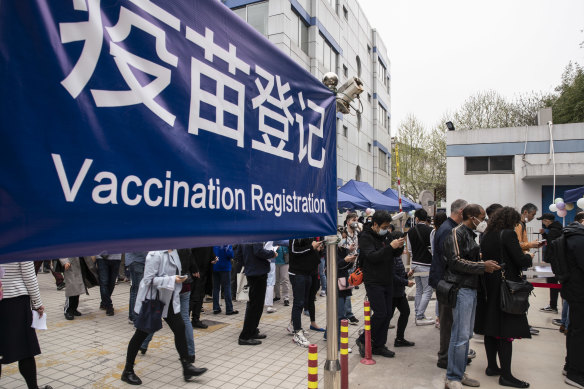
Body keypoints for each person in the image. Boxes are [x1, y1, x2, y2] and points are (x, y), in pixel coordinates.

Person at [121, 250, 207, 385]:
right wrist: (173, 279)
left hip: (168, 300)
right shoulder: (155, 254)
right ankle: (128, 371)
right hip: (153, 300)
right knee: (141, 334)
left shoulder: (174, 252)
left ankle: (187, 367)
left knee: (180, 328)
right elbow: (148, 280)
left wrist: (179, 278)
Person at [442, 204, 501, 389]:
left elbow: (468, 258)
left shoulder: (469, 234)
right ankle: (452, 377)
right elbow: (455, 261)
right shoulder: (456, 233)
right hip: (462, 289)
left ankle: (459, 373)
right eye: (482, 217)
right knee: (459, 335)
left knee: (465, 334)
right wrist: (482, 266)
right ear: (472, 217)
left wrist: (481, 262)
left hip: (471, 287)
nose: (483, 221)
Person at [478, 207, 533, 388]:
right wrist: (529, 256)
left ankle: (492, 366)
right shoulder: (508, 234)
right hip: (506, 286)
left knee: (491, 326)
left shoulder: (486, 234)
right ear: (510, 220)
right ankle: (507, 375)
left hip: (488, 285)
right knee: (506, 330)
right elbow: (520, 260)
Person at [355, 210, 405, 358]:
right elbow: (372, 257)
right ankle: (363, 339)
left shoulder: (386, 235)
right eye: (384, 226)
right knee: (381, 313)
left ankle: (379, 344)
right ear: (375, 224)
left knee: (388, 313)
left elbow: (392, 254)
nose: (386, 229)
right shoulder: (365, 237)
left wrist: (399, 246)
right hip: (373, 281)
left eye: (388, 226)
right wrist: (390, 247)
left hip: (387, 279)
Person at [0, 261, 52, 389]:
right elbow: (29, 275)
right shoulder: (18, 243)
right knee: (25, 350)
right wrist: (37, 303)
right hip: (15, 300)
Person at [429, 199, 468, 369]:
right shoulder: (448, 229)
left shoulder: (450, 227)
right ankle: (445, 357)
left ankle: (451, 354)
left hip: (447, 280)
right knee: (447, 322)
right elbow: (450, 258)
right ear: (461, 212)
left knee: (451, 321)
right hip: (446, 282)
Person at [238, 243, 277, 345]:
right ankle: (245, 336)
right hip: (258, 272)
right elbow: (258, 251)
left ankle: (252, 331)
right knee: (255, 306)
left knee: (254, 304)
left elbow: (238, 254)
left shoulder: (243, 235)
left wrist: (247, 264)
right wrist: (272, 253)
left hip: (251, 271)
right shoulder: (255, 234)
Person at [562, 211, 584, 388]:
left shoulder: (570, 235)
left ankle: (570, 365)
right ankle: (575, 372)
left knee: (574, 329)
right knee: (579, 331)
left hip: (572, 289)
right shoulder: (578, 239)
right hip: (579, 291)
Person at [288, 238, 323, 347]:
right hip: (297, 273)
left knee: (303, 302)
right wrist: (311, 247)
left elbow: (310, 252)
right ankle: (297, 333)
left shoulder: (310, 234)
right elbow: (294, 250)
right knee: (298, 302)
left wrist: (317, 249)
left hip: (308, 273)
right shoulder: (296, 233)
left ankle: (293, 325)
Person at [515, 203, 543, 336]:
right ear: (525, 212)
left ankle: (522, 322)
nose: (533, 217)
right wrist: (530, 244)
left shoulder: (522, 225)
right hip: (520, 262)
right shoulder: (518, 225)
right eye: (532, 214)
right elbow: (516, 243)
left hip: (523, 259)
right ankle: (521, 323)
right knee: (521, 294)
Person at [407, 208, 435, 326]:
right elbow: (433, 250)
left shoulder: (410, 231)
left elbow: (409, 249)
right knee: (428, 291)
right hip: (426, 265)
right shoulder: (431, 231)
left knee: (419, 290)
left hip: (415, 264)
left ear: (416, 218)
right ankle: (419, 316)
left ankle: (418, 314)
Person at [391, 231, 415, 347]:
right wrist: (406, 282)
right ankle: (369, 339)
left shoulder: (398, 254)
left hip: (399, 292)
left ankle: (399, 339)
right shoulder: (391, 255)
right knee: (385, 317)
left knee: (405, 312)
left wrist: (407, 274)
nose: (404, 243)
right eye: (402, 241)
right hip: (392, 292)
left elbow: (398, 272)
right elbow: (391, 275)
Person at [538, 213, 563, 314]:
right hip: (557, 262)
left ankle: (553, 306)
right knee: (553, 284)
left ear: (547, 221)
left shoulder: (554, 231)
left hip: (553, 263)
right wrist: (544, 234)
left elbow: (550, 248)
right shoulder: (557, 229)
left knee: (552, 283)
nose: (542, 223)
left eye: (543, 221)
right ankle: (553, 305)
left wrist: (546, 260)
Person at [340, 213, 360, 325]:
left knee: (349, 291)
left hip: (353, 266)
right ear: (348, 222)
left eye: (356, 220)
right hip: (344, 265)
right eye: (353, 220)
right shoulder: (343, 233)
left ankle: (346, 314)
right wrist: (348, 248)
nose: (355, 222)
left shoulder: (357, 233)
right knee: (346, 291)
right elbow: (340, 248)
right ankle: (348, 315)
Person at [190, 247, 216, 329]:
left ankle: (195, 319)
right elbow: (189, 254)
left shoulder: (207, 239)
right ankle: (185, 320)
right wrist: (194, 269)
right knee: (193, 297)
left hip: (204, 272)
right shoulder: (194, 237)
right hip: (195, 273)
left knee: (200, 296)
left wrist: (214, 258)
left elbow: (210, 251)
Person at [431, 211, 448, 329]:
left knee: (439, 295)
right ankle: (439, 318)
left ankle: (438, 317)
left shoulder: (434, 232)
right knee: (441, 295)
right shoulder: (445, 231)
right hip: (441, 268)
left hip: (435, 264)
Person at [212, 245, 238, 315]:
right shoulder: (227, 243)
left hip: (215, 266)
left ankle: (216, 308)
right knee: (227, 287)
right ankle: (229, 309)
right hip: (225, 267)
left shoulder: (213, 242)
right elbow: (230, 255)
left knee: (216, 288)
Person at [126, 252, 149, 324]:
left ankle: (132, 315)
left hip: (136, 261)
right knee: (137, 290)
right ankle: (134, 317)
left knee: (135, 289)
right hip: (137, 261)